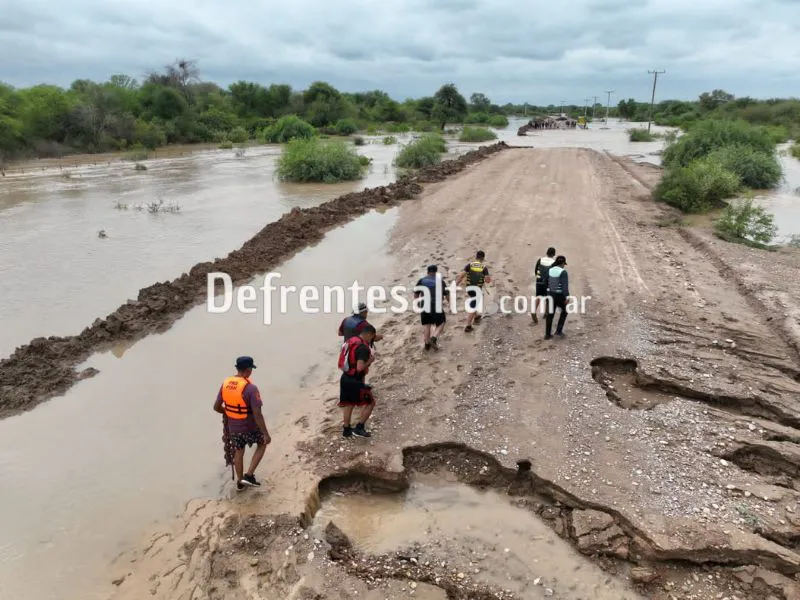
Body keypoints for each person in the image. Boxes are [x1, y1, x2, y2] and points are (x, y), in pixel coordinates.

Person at [213, 356, 271, 491]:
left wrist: (228, 413)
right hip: (249, 427)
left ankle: (240, 483)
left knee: (239, 450)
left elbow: (216, 407)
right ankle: (249, 476)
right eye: (251, 369)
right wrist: (266, 434)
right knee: (263, 443)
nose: (252, 371)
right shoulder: (251, 388)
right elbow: (257, 414)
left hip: (233, 427)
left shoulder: (226, 384)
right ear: (248, 370)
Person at [338, 324, 377, 438]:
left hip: (345, 378)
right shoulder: (363, 348)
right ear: (369, 334)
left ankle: (346, 430)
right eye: (372, 337)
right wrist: (370, 360)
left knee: (348, 404)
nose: (371, 340)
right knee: (371, 403)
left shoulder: (351, 340)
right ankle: (359, 428)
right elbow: (360, 367)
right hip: (355, 380)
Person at [415, 265, 450, 351]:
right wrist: (450, 303)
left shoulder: (421, 280)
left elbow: (416, 293)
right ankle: (433, 338)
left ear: (427, 272)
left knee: (427, 323)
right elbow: (446, 294)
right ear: (436, 272)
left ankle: (427, 345)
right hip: (435, 304)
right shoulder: (441, 281)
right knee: (441, 322)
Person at [456, 250, 491, 332]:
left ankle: (476, 316)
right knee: (474, 305)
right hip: (477, 289)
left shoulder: (469, 265)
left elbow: (461, 275)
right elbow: (487, 280)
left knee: (473, 300)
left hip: (469, 288)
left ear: (476, 257)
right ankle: (468, 325)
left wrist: (456, 283)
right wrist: (486, 278)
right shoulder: (484, 267)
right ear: (483, 258)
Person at [545, 256, 569, 339]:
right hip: (559, 296)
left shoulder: (550, 270)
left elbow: (545, 281)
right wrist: (567, 297)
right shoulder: (563, 272)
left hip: (550, 294)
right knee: (565, 311)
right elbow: (564, 286)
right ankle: (558, 331)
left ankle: (547, 335)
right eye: (564, 264)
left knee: (550, 315)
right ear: (562, 263)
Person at [531, 247, 556, 324]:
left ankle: (533, 311)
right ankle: (546, 313)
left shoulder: (540, 260)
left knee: (538, 297)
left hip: (539, 281)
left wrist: (538, 279)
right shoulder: (554, 262)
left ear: (547, 253)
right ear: (554, 254)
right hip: (548, 283)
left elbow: (536, 270)